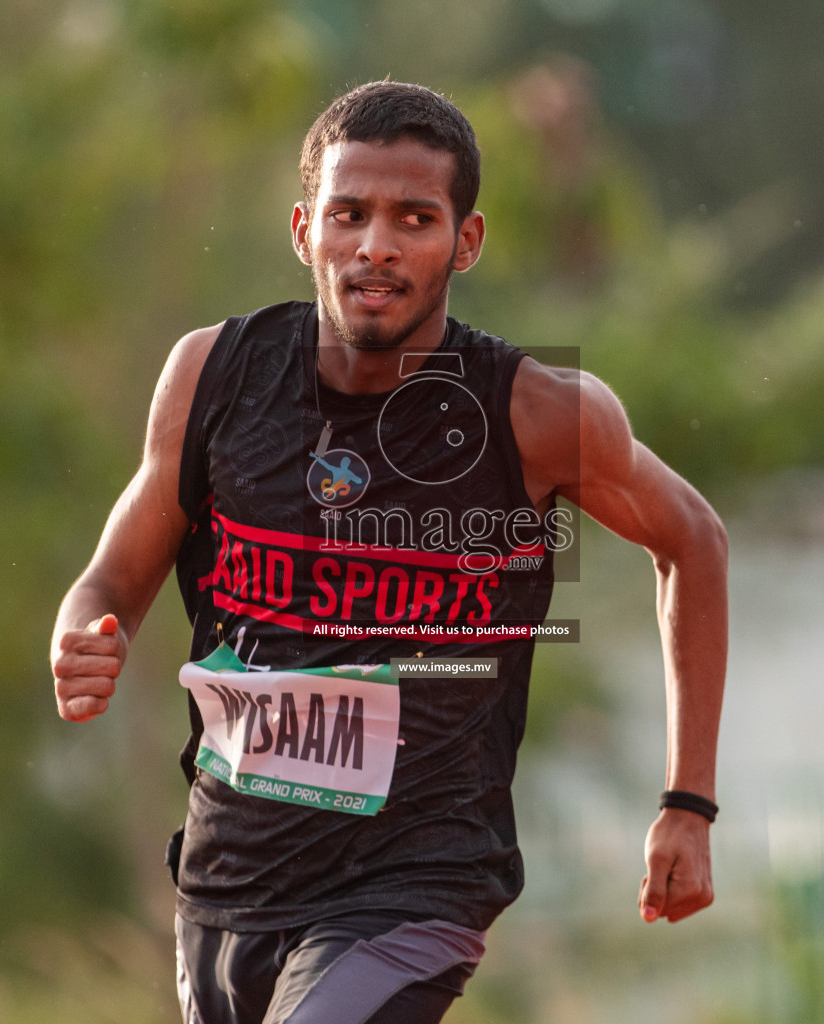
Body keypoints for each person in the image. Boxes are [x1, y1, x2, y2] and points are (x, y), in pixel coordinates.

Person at [49, 81, 728, 1024]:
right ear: (303, 229)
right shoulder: (214, 374)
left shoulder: (535, 413)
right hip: (228, 877)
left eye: (415, 218)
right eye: (349, 214)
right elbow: (110, 578)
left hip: (415, 883)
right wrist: (83, 630)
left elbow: (692, 538)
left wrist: (688, 801)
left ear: (467, 241)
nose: (376, 245)